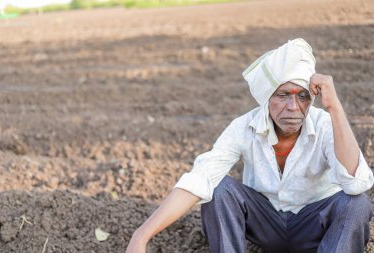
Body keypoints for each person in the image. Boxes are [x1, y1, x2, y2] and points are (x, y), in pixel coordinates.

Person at [126, 38, 374, 253]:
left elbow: (357, 183)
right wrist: (141, 235)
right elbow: (198, 180)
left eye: (302, 96)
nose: (293, 107)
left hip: (314, 227)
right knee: (218, 188)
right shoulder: (243, 127)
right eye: (283, 95)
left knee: (357, 204)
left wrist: (334, 108)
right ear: (266, 98)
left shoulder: (325, 125)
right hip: (265, 225)